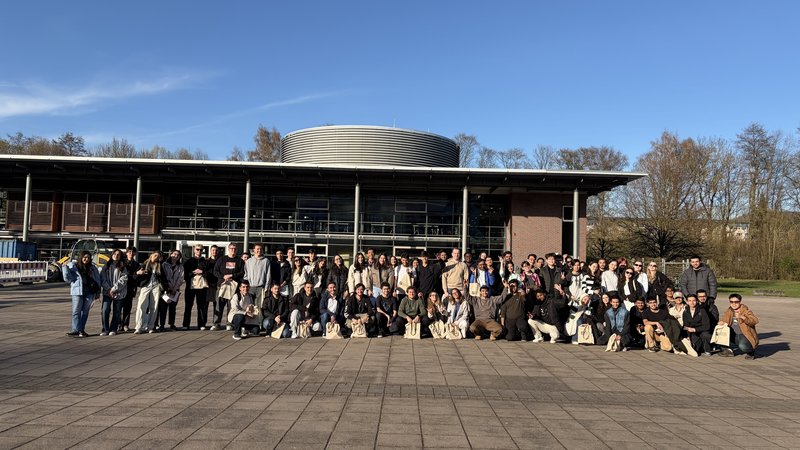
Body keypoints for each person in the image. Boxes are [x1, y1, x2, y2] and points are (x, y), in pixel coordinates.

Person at [64, 251, 102, 337]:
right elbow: (67, 278)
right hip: (77, 292)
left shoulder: (93, 268)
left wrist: (98, 292)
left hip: (90, 292)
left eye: (88, 257)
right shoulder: (74, 266)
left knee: (85, 312)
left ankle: (81, 330)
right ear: (81, 257)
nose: (86, 259)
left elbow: (98, 280)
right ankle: (75, 329)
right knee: (76, 311)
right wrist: (64, 267)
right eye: (85, 257)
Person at [133, 251, 168, 334]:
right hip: (146, 286)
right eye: (155, 255)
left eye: (158, 256)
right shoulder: (144, 264)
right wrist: (138, 273)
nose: (156, 257)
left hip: (156, 287)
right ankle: (139, 326)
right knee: (141, 305)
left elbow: (163, 278)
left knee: (154, 307)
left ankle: (151, 326)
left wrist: (165, 288)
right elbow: (134, 276)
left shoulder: (159, 266)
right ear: (151, 255)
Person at [213, 243, 244, 331]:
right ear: (228, 249)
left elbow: (242, 273)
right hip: (222, 285)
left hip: (234, 287)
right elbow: (215, 271)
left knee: (231, 306)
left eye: (235, 249)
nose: (233, 250)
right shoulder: (221, 259)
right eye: (231, 248)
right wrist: (224, 276)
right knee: (219, 305)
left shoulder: (239, 261)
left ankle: (229, 323)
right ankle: (216, 323)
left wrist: (232, 275)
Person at [717, 294, 759, 359]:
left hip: (744, 335)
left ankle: (751, 352)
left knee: (743, 346)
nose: (734, 304)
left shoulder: (746, 311)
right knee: (718, 333)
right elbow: (725, 319)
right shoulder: (729, 311)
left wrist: (742, 317)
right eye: (731, 302)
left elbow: (754, 321)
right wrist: (722, 322)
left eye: (736, 302)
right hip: (733, 334)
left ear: (740, 301)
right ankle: (727, 351)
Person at [99, 249, 128, 336]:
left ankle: (113, 328)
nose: (116, 255)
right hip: (107, 292)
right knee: (105, 310)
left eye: (118, 254)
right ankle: (105, 329)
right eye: (115, 254)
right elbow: (102, 278)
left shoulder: (123, 266)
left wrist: (114, 289)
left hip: (119, 292)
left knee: (117, 311)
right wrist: (108, 289)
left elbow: (124, 278)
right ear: (112, 255)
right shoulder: (106, 265)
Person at [183, 245, 209, 330]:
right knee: (188, 306)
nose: (199, 251)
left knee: (201, 306)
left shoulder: (205, 261)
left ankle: (201, 324)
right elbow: (184, 275)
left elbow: (209, 273)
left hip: (201, 287)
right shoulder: (189, 261)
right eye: (197, 249)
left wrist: (202, 271)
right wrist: (193, 272)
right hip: (191, 286)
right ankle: (186, 324)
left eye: (201, 250)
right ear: (194, 250)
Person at [157, 249, 184, 331]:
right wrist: (167, 287)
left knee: (173, 308)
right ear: (171, 254)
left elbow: (181, 278)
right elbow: (162, 277)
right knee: (163, 308)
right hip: (165, 290)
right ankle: (162, 325)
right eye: (174, 254)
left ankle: (172, 324)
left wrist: (174, 288)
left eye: (178, 255)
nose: (176, 256)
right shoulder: (164, 264)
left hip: (174, 290)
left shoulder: (180, 266)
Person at [243, 243, 272, 309]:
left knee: (259, 307)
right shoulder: (249, 261)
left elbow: (268, 275)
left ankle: (258, 319)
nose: (259, 250)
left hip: (261, 288)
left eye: (261, 249)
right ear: (254, 250)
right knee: (249, 306)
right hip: (250, 287)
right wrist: (245, 287)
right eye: (257, 249)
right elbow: (246, 275)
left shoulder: (266, 261)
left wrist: (267, 287)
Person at [119, 246, 140, 332]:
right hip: (120, 288)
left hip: (130, 288)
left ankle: (125, 324)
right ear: (126, 252)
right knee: (118, 308)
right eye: (129, 252)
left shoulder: (136, 264)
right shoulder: (121, 262)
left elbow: (136, 278)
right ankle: (119, 324)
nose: (131, 254)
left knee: (127, 308)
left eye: (133, 252)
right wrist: (134, 275)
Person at [201, 245, 219, 330]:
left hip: (217, 285)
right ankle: (203, 323)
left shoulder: (220, 261)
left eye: (216, 250)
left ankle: (215, 323)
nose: (214, 252)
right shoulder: (206, 261)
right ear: (210, 251)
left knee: (217, 306)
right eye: (213, 250)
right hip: (207, 285)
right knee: (205, 306)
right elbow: (203, 272)